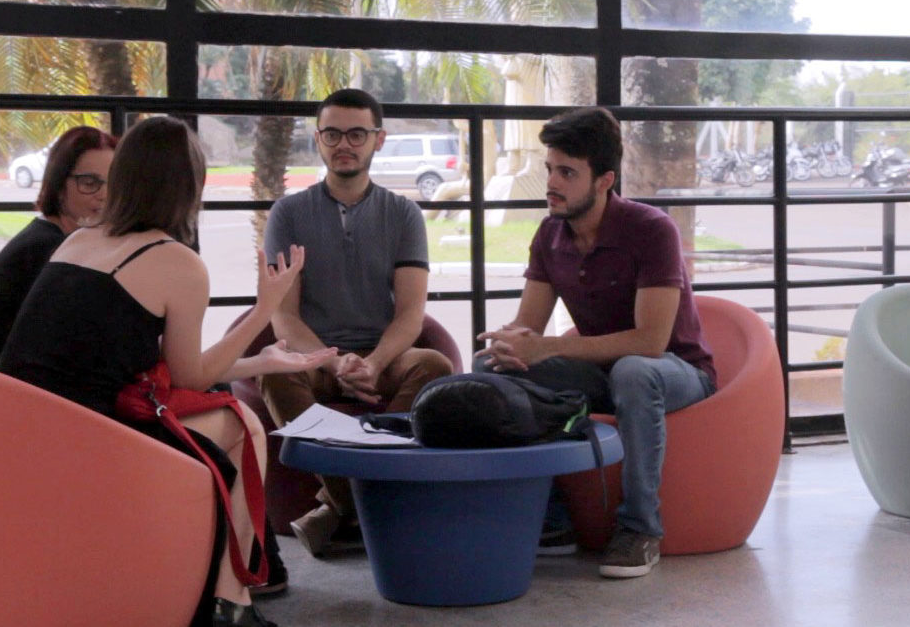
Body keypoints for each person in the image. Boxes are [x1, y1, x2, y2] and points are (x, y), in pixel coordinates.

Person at [0, 116, 336, 627]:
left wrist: (261, 361)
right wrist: (264, 310)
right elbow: (190, 379)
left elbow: (171, 372)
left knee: (235, 419)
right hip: (88, 436)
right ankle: (231, 601)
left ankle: (229, 595)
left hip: (22, 427)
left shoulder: (80, 240)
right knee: (242, 426)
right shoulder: (174, 260)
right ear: (190, 187)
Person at [474, 106, 716, 579]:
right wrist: (509, 344)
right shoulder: (550, 233)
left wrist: (547, 347)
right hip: (604, 371)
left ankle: (640, 529)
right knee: (492, 369)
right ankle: (554, 519)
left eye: (567, 173)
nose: (551, 183)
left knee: (634, 371)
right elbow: (528, 326)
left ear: (605, 180)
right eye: (549, 169)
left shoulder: (651, 230)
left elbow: (650, 343)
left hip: (676, 371)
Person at [259, 88, 454, 556]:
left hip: (381, 356)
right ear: (318, 139)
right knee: (274, 374)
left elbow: (410, 313)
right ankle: (369, 503)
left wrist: (374, 363)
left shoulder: (403, 214)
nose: (343, 144)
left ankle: (336, 507)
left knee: (435, 366)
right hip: (315, 356)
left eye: (356, 134)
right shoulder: (288, 213)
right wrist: (333, 363)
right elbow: (284, 316)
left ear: (378, 140)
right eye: (332, 134)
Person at [0, 126, 117, 356]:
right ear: (59, 186)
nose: (104, 194)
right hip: (4, 375)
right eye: (90, 183)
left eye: (114, 182)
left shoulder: (55, 238)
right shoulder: (47, 249)